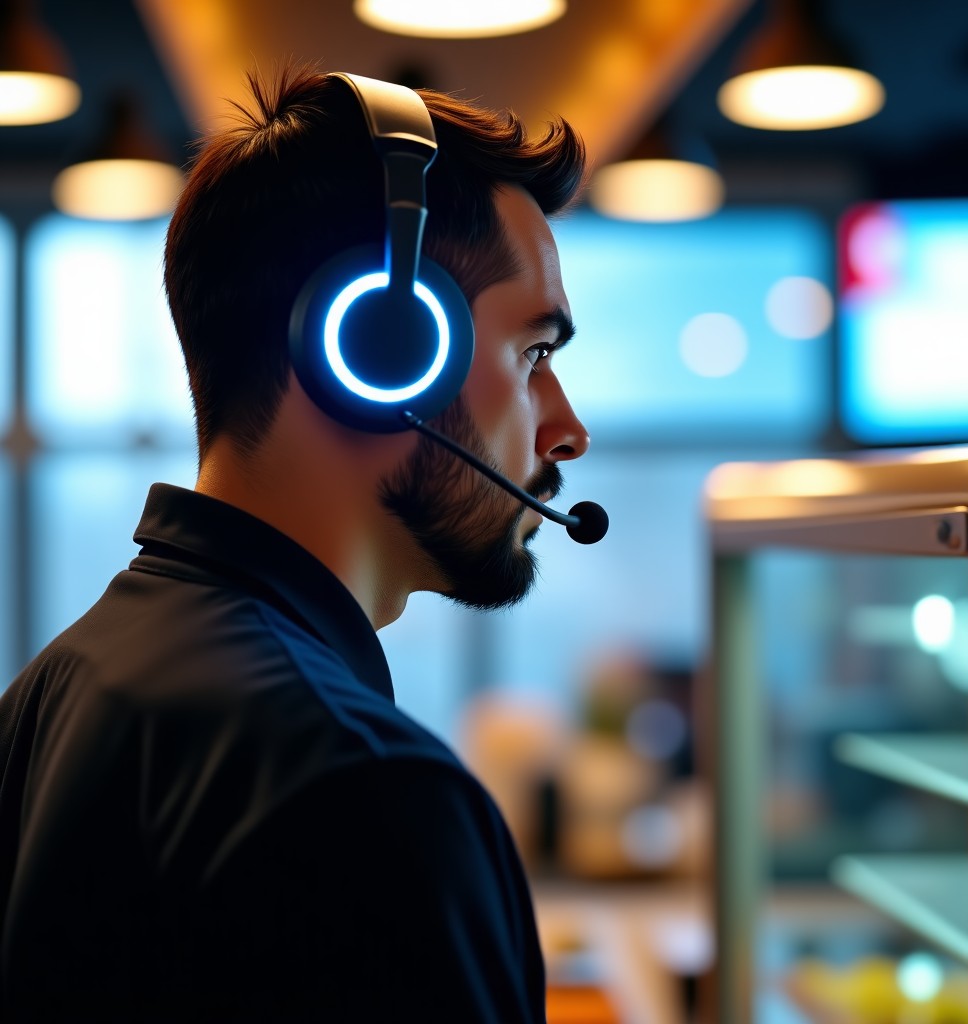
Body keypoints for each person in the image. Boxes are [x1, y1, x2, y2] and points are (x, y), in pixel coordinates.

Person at [0, 63, 594, 1021]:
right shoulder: (376, 795)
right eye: (533, 354)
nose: (567, 430)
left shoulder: (60, 685)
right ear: (384, 349)